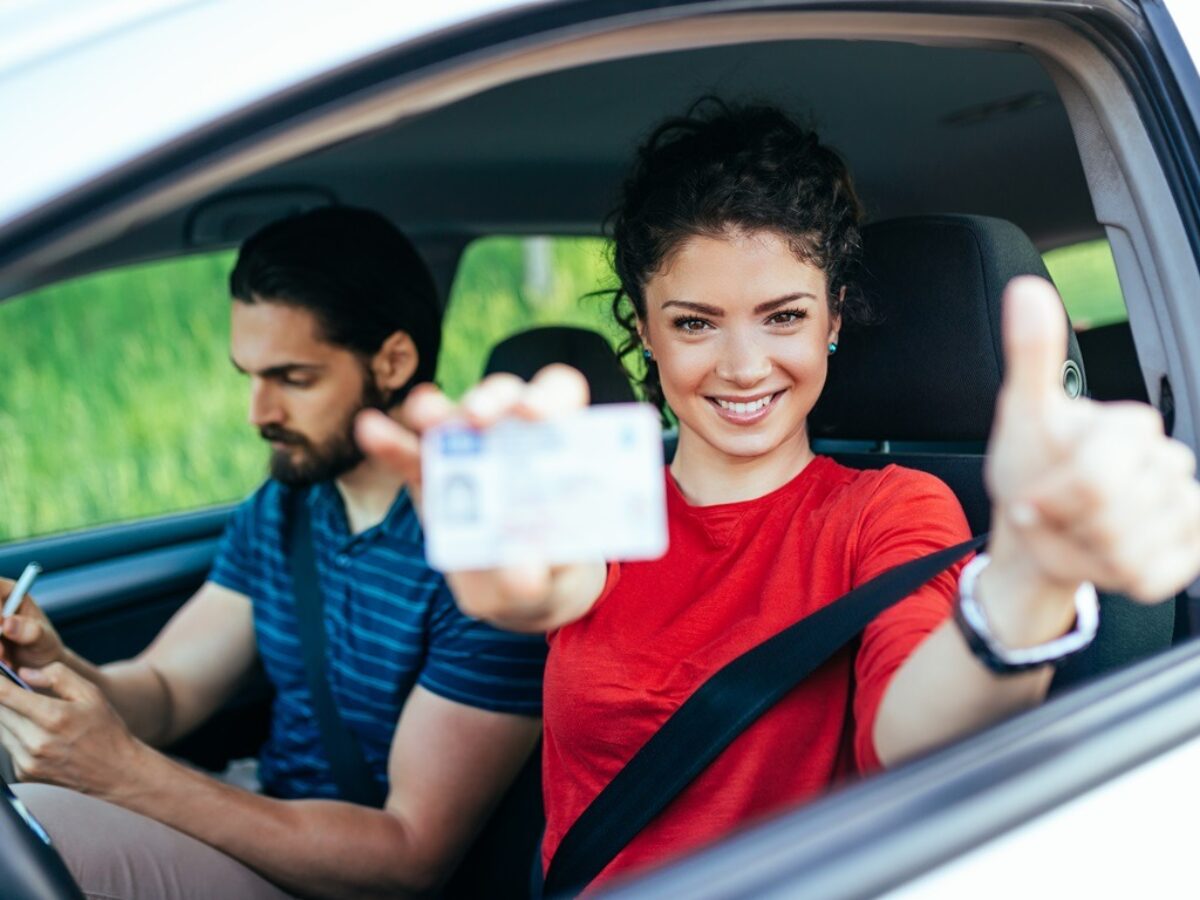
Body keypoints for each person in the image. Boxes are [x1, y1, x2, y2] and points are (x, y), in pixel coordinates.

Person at [356, 103, 1200, 892]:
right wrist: (508, 567)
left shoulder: (891, 511)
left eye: (783, 317)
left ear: (833, 318)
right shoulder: (599, 493)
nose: (744, 365)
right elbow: (550, 581)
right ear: (644, 331)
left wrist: (1027, 579)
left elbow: (913, 737)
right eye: (694, 323)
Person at [0, 206, 547, 899]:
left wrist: (125, 774)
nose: (258, 413)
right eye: (250, 376)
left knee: (40, 836)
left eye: (294, 378)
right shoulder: (285, 507)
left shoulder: (487, 558)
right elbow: (167, 692)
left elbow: (410, 856)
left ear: (393, 362)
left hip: (346, 880)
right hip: (258, 814)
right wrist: (50, 666)